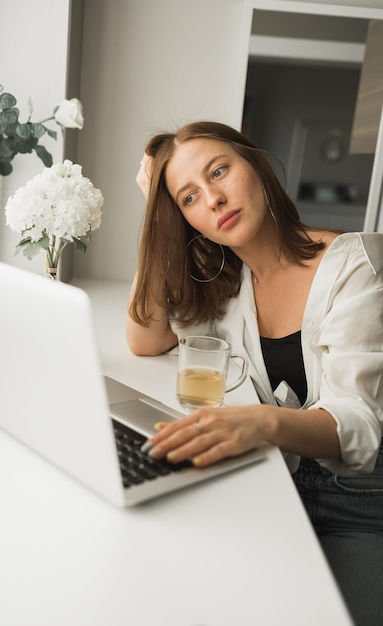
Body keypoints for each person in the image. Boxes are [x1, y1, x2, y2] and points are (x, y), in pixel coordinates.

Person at [126, 121, 383, 626]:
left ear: (257, 167)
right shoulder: (224, 285)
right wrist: (154, 214)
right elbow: (146, 338)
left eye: (219, 171)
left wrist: (261, 423)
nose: (214, 199)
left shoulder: (356, 265)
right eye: (189, 198)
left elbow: (359, 421)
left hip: (362, 500)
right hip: (273, 483)